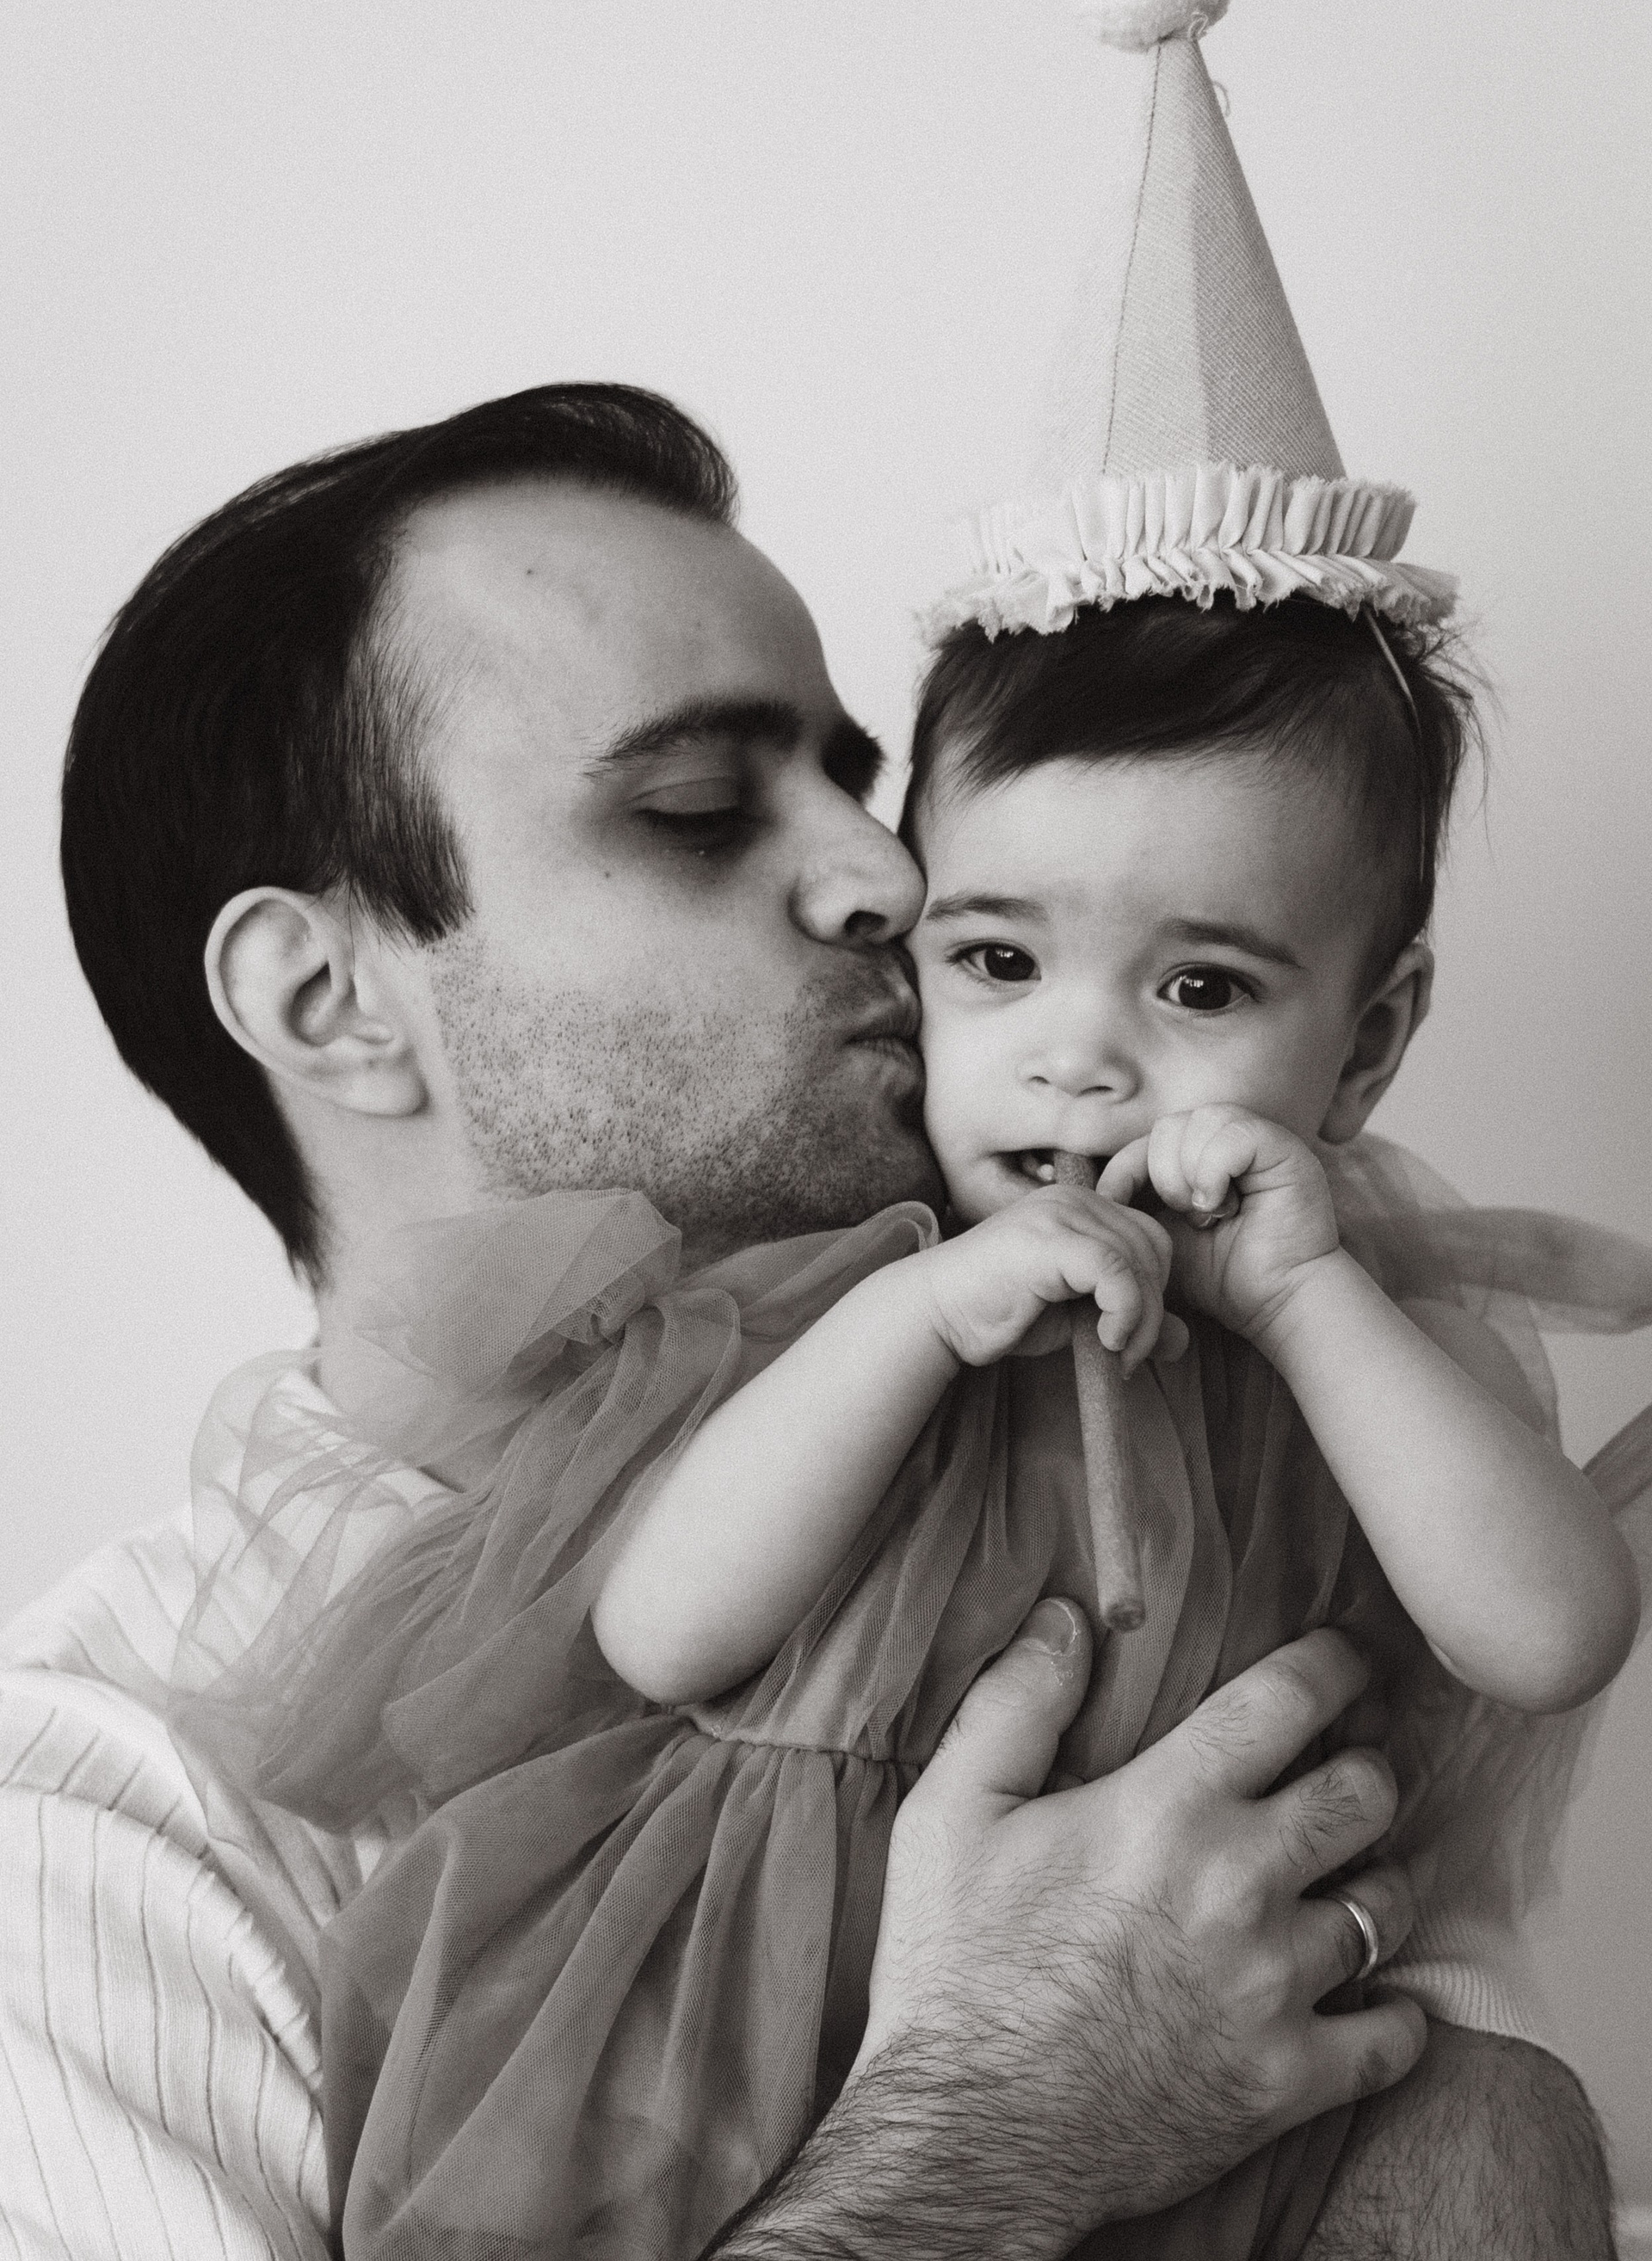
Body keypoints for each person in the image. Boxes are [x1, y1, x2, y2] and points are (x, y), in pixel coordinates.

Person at [0, 379, 1620, 2259]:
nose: (885, 880)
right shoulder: (101, 1832)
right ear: (327, 1000)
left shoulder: (1178, 1458)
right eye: (697, 811)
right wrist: (991, 2135)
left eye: (858, 786)